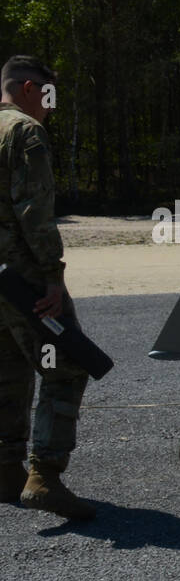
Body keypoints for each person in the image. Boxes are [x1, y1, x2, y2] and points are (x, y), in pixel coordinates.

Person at [0, 55, 95, 520]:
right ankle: (45, 476)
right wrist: (53, 275)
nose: (51, 105)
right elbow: (34, 211)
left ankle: (5, 470)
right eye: (46, 93)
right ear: (22, 88)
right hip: (25, 279)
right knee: (68, 365)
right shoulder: (24, 132)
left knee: (9, 368)